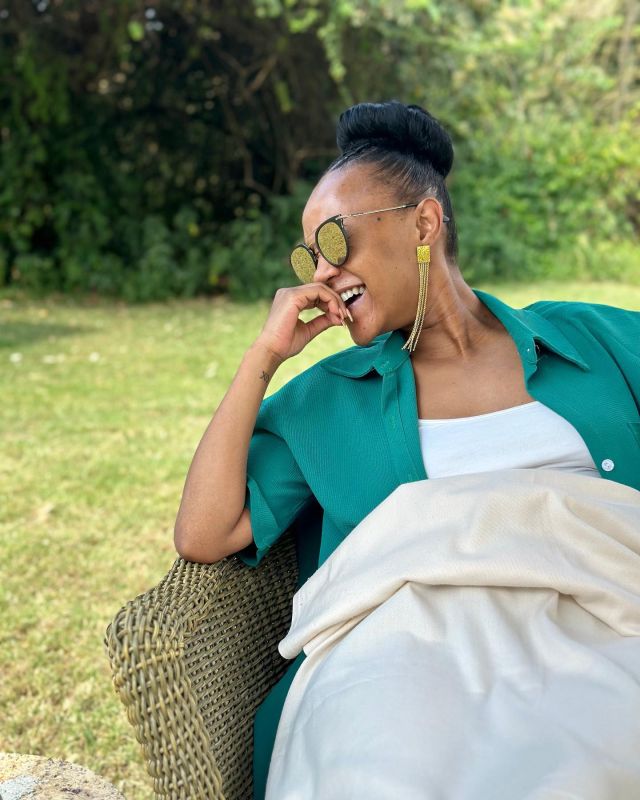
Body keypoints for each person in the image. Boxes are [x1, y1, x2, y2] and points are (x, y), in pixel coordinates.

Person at [173, 100, 640, 799]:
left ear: (424, 223)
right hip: (406, 666)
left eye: (335, 243)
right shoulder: (329, 399)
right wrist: (262, 358)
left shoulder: (596, 341)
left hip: (605, 631)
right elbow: (204, 534)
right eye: (308, 256)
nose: (320, 273)